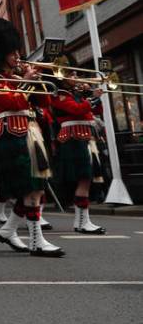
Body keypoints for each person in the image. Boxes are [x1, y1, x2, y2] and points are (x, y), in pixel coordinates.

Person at [0, 18, 64, 257]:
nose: (18, 55)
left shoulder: (17, 77)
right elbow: (13, 102)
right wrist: (27, 83)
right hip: (11, 135)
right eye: (12, 51)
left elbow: (45, 102)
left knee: (36, 186)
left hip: (31, 132)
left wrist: (35, 82)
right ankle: (37, 241)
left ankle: (8, 231)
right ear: (0, 53)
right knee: (29, 187)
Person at [50, 58, 107, 234]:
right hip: (73, 139)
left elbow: (95, 112)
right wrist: (91, 99)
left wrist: (90, 96)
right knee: (83, 178)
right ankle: (82, 221)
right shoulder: (59, 94)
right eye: (71, 73)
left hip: (85, 137)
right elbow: (76, 110)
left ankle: (82, 220)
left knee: (87, 179)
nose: (76, 76)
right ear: (62, 77)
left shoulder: (76, 93)